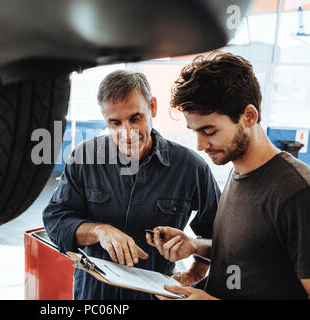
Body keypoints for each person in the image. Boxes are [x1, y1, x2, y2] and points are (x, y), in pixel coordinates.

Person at [43, 70, 221, 300]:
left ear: (153, 107)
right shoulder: (84, 158)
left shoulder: (191, 167)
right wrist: (100, 231)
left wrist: (191, 276)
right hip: (94, 297)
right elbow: (56, 221)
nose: (127, 133)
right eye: (114, 122)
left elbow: (218, 238)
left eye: (135, 118)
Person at [147, 52, 310, 300]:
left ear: (249, 116)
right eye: (195, 132)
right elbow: (256, 256)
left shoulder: (297, 193)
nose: (200, 145)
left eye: (209, 131)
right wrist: (194, 245)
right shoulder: (239, 172)